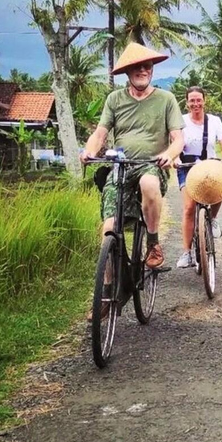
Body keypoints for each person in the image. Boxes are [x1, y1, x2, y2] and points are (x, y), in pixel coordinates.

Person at [80, 43, 184, 271]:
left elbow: (178, 139)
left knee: (148, 183)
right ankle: (107, 293)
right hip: (121, 167)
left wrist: (168, 155)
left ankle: (153, 243)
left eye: (147, 66)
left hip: (151, 165)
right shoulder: (115, 100)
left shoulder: (166, 99)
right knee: (108, 229)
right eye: (136, 67)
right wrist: (88, 151)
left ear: (152, 70)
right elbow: (100, 134)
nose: (142, 70)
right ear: (127, 72)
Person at [174, 86, 222, 269]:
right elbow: (175, 145)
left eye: (198, 100)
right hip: (187, 167)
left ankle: (213, 219)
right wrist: (175, 158)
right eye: (192, 100)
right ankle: (186, 252)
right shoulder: (180, 121)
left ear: (204, 100)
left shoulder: (214, 121)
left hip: (210, 166)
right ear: (187, 102)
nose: (195, 104)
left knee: (220, 189)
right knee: (189, 207)